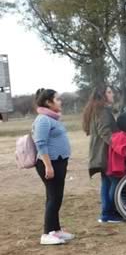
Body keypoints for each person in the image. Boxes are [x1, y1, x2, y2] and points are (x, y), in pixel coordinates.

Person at [33, 88, 74, 245]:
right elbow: (40, 143)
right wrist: (48, 165)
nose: (60, 101)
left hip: (59, 162)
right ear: (48, 103)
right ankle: (46, 233)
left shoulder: (53, 118)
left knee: (56, 197)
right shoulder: (43, 119)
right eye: (57, 99)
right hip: (49, 163)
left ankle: (55, 230)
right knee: (53, 197)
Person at [82, 85, 121, 223]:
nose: (112, 95)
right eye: (109, 92)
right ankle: (110, 213)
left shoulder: (95, 110)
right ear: (102, 95)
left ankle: (106, 214)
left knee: (106, 183)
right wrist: (118, 145)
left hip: (99, 153)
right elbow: (104, 131)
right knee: (115, 181)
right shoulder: (103, 111)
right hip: (105, 153)